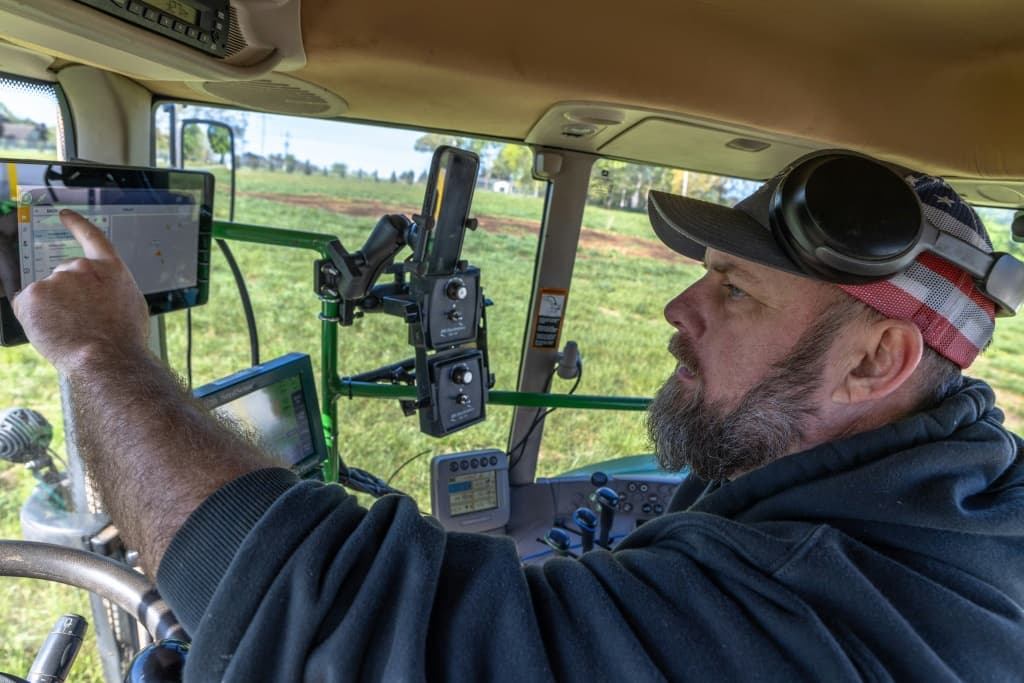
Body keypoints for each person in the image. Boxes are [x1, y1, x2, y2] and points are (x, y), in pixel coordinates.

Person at [12, 151, 1023, 681]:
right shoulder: (935, 498)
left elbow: (330, 637)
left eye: (736, 290)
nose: (681, 308)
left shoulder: (819, 603)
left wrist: (101, 352)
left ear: (876, 359)